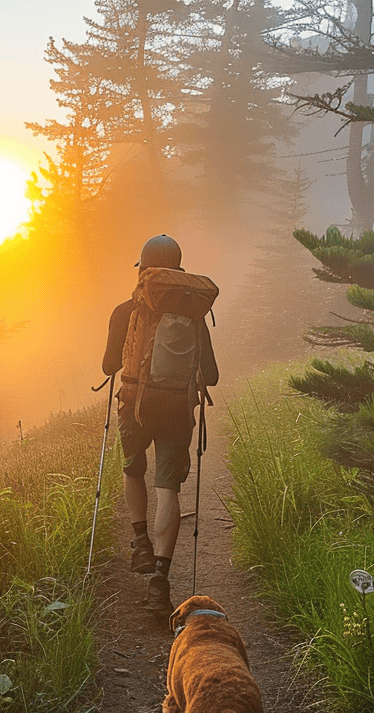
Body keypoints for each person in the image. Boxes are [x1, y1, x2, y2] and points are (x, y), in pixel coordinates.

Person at [101, 234, 210, 618]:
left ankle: (140, 542)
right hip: (178, 409)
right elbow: (210, 375)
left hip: (136, 406)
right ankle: (159, 584)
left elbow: (108, 367)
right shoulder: (195, 313)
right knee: (168, 489)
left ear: (143, 268)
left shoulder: (125, 309)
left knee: (134, 470)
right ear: (179, 268)